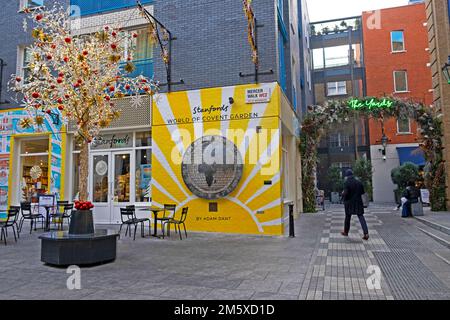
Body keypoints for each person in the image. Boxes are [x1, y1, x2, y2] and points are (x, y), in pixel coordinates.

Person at [340, 169, 369, 241]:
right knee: (361, 217)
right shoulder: (359, 182)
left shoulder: (347, 182)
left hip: (349, 203)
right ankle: (366, 233)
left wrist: (342, 194)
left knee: (347, 217)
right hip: (358, 202)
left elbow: (346, 193)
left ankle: (346, 232)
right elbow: (362, 192)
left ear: (347, 176)